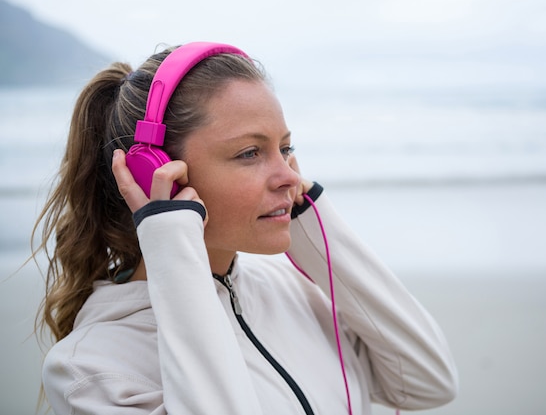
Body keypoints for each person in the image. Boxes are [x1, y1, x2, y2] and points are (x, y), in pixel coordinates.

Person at [33, 41, 458, 415]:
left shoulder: (294, 288)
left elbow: (427, 383)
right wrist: (170, 237)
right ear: (158, 174)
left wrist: (310, 220)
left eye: (286, 148)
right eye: (250, 152)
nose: (290, 175)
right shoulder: (92, 369)